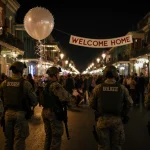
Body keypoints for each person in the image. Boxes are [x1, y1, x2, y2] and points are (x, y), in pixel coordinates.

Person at [89, 65, 133, 150]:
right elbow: (130, 103)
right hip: (117, 121)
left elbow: (91, 103)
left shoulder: (98, 88)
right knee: (116, 147)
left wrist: (98, 109)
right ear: (116, 75)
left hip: (102, 121)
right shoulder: (122, 88)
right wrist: (123, 113)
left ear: (104, 75)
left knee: (102, 147)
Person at [0, 61, 38, 150]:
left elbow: (1, 97)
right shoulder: (25, 83)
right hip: (20, 114)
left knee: (8, 140)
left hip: (7, 113)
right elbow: (34, 100)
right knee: (19, 141)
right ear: (21, 71)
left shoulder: (4, 83)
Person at [41, 66, 72, 150]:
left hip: (45, 111)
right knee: (56, 137)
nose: (59, 75)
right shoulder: (55, 85)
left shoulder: (46, 84)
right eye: (58, 73)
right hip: (53, 112)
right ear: (54, 75)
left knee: (49, 136)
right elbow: (66, 97)